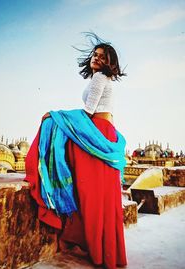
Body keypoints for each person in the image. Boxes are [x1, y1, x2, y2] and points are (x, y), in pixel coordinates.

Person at [25, 33, 127, 269]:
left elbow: (88, 111)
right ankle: (107, 252)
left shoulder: (100, 78)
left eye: (102, 57)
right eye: (95, 54)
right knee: (101, 196)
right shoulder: (101, 79)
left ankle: (94, 248)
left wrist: (55, 114)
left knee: (90, 193)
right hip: (103, 132)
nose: (96, 58)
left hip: (96, 132)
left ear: (109, 63)